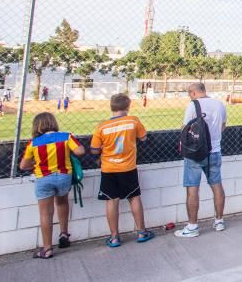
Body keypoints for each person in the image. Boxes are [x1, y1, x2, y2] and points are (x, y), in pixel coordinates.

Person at [90, 94, 155, 247]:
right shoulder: (133, 120)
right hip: (128, 167)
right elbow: (144, 138)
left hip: (109, 168)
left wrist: (102, 151)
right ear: (128, 106)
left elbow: (93, 150)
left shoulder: (102, 126)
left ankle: (114, 237)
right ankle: (141, 232)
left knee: (111, 201)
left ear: (111, 107)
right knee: (134, 197)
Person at [19, 112, 86, 259]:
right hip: (63, 176)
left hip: (43, 177)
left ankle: (47, 248)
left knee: (45, 213)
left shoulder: (33, 143)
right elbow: (80, 151)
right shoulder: (66, 136)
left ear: (37, 126)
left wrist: (35, 163)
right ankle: (64, 234)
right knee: (62, 202)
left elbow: (23, 165)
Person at [175, 83, 227, 238]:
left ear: (192, 93)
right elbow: (223, 126)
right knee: (217, 185)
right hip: (215, 151)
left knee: (192, 189)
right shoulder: (219, 104)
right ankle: (219, 221)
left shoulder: (193, 105)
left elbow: (185, 128)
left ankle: (192, 226)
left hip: (195, 153)